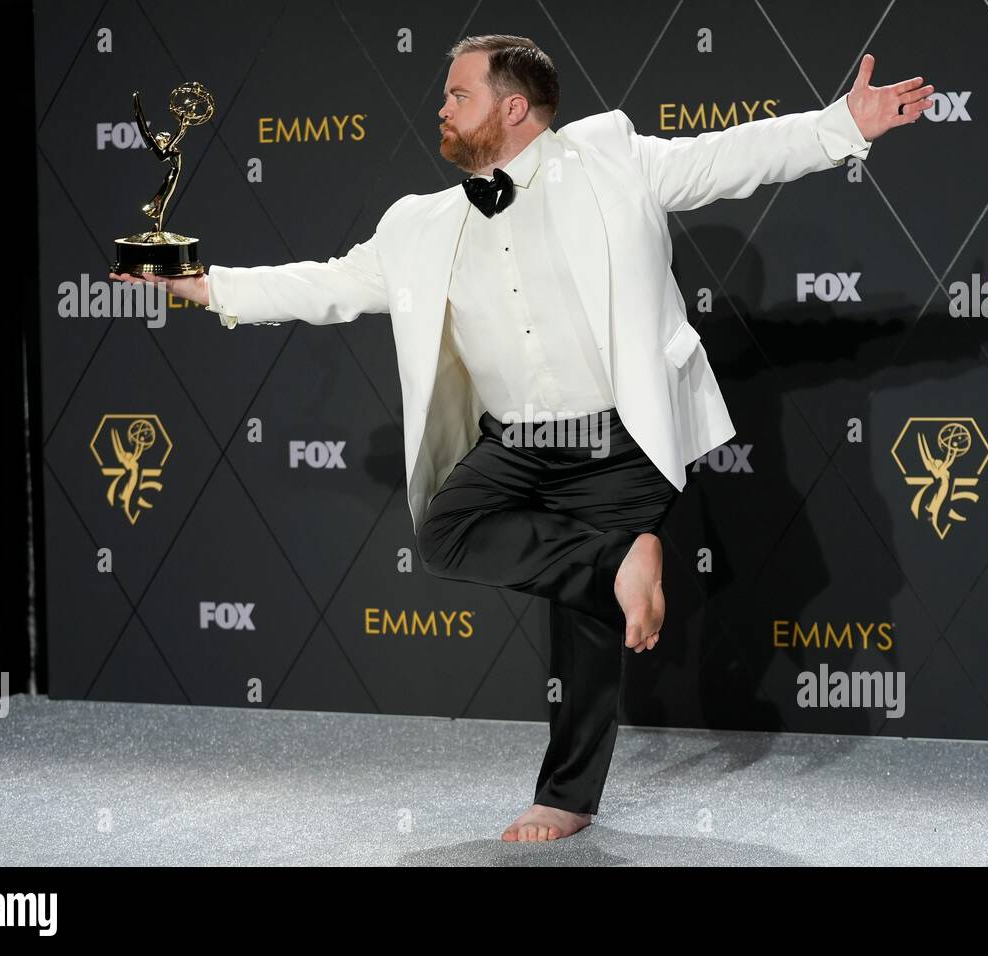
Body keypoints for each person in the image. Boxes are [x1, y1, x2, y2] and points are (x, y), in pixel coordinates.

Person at [112, 34, 933, 843]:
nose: (440, 106)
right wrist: (204, 284)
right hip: (514, 444)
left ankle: (566, 798)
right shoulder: (421, 224)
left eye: (457, 94)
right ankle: (619, 561)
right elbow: (328, 284)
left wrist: (844, 126)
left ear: (512, 107)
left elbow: (737, 154)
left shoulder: (614, 159)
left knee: (582, 627)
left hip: (620, 441)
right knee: (443, 533)